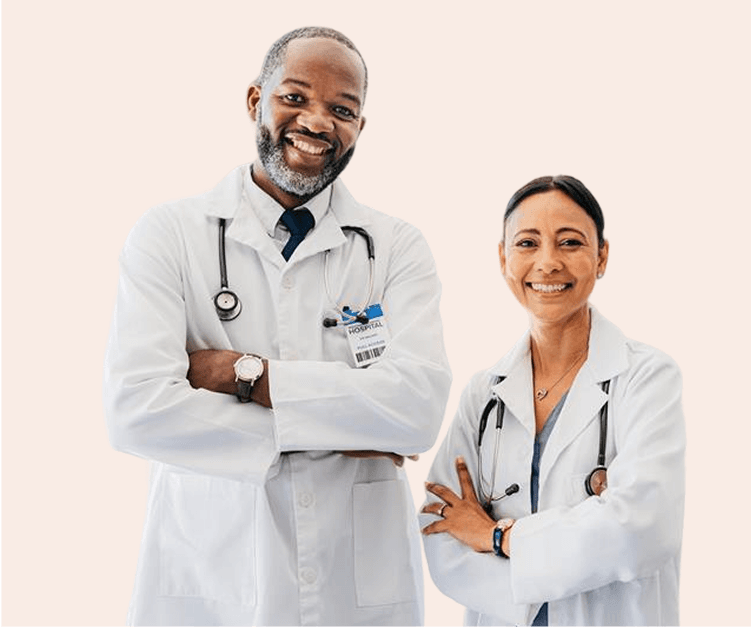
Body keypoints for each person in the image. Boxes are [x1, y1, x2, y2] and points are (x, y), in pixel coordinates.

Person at [103, 26, 451, 627]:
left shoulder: (396, 248)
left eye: (342, 109)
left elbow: (417, 411)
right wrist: (345, 425)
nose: (317, 122)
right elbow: (135, 410)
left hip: (354, 591)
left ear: (360, 127)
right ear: (254, 100)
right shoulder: (168, 235)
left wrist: (245, 376)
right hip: (212, 581)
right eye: (295, 97)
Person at [420, 176, 685, 626]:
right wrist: (540, 577)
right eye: (527, 243)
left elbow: (641, 529)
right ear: (503, 258)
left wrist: (499, 538)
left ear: (601, 257)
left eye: (570, 243)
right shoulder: (484, 394)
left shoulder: (646, 378)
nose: (547, 263)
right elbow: (441, 532)